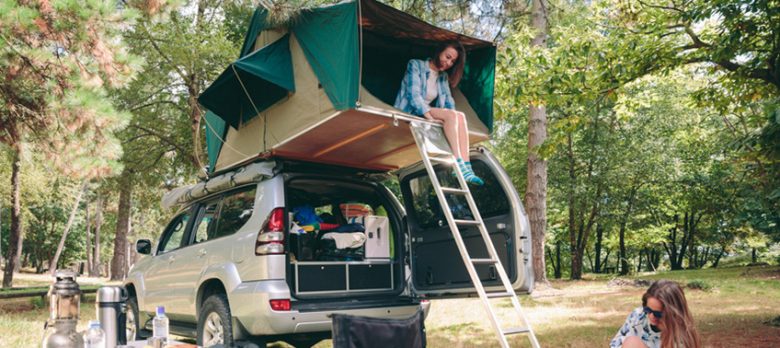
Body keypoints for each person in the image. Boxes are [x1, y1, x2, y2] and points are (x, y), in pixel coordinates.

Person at [394, 42, 484, 185]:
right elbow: (413, 95)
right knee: (452, 116)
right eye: (447, 57)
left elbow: (448, 102)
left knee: (460, 116)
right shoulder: (416, 65)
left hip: (425, 111)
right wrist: (430, 117)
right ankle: (459, 162)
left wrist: (450, 120)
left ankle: (467, 166)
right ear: (439, 51)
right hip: (409, 110)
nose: (448, 63)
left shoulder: (442, 77)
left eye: (452, 61)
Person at [610, 280, 701, 348]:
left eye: (658, 314)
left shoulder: (681, 336)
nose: (651, 316)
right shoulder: (638, 316)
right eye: (647, 309)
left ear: (673, 315)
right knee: (631, 342)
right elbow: (616, 344)